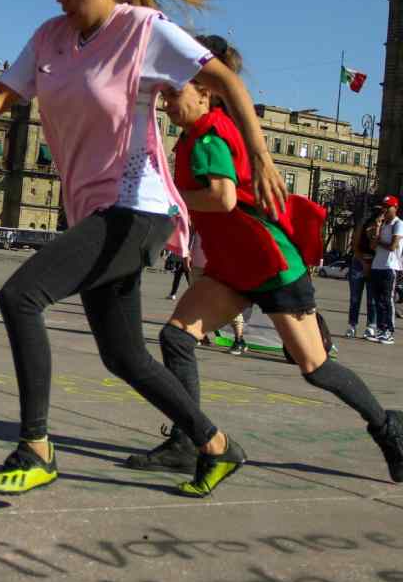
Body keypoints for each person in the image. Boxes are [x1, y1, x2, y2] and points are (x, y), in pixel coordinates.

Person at [0, 0, 282, 498]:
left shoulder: (142, 30)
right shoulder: (49, 38)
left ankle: (36, 448)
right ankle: (216, 445)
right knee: (123, 355)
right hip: (93, 213)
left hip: (138, 207)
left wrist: (262, 156)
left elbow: (224, 79)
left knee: (20, 296)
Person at [123, 34, 403, 485]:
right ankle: (188, 441)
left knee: (316, 368)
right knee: (176, 338)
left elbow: (223, 198)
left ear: (207, 91)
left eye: (175, 94)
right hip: (235, 268)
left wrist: (169, 199)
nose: (167, 105)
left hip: (271, 265)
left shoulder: (211, 134)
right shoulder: (197, 134)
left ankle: (389, 428)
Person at [368, 195, 403, 345]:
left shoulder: (398, 223)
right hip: (377, 265)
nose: (385, 209)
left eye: (388, 207)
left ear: (395, 208)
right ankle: (381, 329)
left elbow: (392, 246)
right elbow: (372, 246)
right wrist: (377, 227)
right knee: (377, 300)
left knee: (387, 299)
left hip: (390, 266)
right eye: (384, 206)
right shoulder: (382, 224)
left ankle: (389, 331)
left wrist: (378, 241)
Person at [347, 211, 379, 339]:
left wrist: (377, 231)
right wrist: (364, 263)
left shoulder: (383, 228)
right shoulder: (363, 226)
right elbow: (355, 247)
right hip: (359, 263)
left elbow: (378, 248)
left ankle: (371, 326)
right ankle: (352, 326)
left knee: (372, 300)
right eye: (377, 221)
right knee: (355, 298)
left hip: (375, 264)